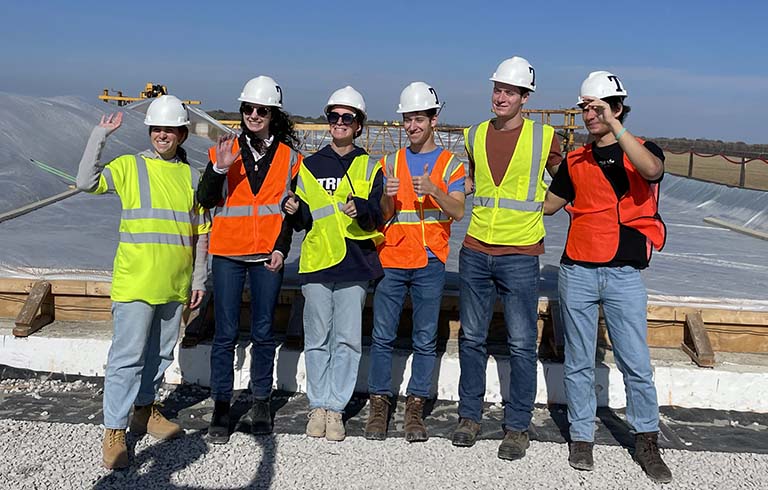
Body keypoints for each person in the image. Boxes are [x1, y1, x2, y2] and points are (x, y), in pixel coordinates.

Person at [543, 71, 671, 483]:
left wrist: (616, 127)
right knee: (579, 360)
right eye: (585, 108)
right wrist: (540, 166)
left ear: (617, 108)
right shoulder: (577, 161)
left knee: (635, 361)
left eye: (598, 107)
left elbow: (652, 172)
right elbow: (549, 205)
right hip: (578, 269)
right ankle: (582, 435)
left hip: (623, 274)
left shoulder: (642, 150)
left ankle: (646, 438)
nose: (589, 115)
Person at [75, 95, 210, 469]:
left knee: (160, 355)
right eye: (157, 129)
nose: (162, 135)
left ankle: (145, 410)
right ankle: (114, 429)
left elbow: (201, 234)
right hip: (135, 283)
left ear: (182, 134)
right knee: (127, 358)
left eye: (169, 129)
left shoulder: (192, 176)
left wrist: (199, 279)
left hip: (174, 284)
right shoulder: (129, 166)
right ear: (150, 130)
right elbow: (85, 182)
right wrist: (98, 136)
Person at [452, 57, 562, 461]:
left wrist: (549, 206)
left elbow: (566, 180)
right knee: (472, 338)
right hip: (477, 249)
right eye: (497, 89)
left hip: (520, 252)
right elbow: (472, 181)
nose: (501, 97)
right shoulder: (474, 134)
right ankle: (469, 416)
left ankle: (517, 426)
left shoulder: (544, 137)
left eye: (510, 91)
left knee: (520, 343)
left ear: (525, 97)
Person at [196, 76, 302, 443]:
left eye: (262, 110)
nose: (254, 115)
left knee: (263, 331)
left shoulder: (290, 158)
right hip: (227, 253)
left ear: (273, 114)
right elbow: (206, 199)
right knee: (224, 333)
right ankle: (222, 406)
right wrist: (220, 168)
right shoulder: (222, 150)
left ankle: (260, 401)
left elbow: (292, 213)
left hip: (267, 256)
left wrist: (281, 248)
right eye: (248, 109)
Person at [364, 82, 465, 442]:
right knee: (382, 336)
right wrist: (387, 200)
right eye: (407, 120)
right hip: (392, 256)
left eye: (418, 119)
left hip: (429, 260)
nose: (411, 126)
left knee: (424, 338)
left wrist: (435, 190)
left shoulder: (450, 164)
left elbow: (458, 209)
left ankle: (415, 406)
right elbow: (384, 215)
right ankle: (379, 403)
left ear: (434, 120)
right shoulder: (390, 162)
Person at [283, 86, 385, 442]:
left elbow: (377, 216)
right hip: (317, 263)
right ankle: (318, 406)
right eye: (334, 117)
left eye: (347, 118)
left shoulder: (370, 166)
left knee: (347, 340)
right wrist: (295, 211)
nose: (339, 123)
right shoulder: (310, 166)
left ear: (358, 125)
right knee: (317, 338)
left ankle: (336, 408)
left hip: (355, 264)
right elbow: (306, 219)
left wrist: (364, 209)